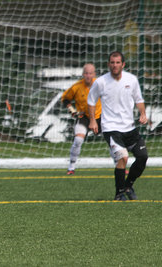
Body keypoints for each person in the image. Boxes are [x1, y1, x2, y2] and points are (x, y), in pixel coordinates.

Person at [88, 51, 148, 201]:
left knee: (142, 157)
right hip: (111, 128)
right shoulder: (101, 82)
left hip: (130, 127)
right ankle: (119, 194)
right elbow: (91, 101)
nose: (115, 65)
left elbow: (138, 99)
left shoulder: (131, 80)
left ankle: (128, 185)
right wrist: (93, 120)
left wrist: (142, 113)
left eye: (117, 62)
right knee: (123, 157)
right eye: (112, 63)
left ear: (123, 64)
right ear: (108, 64)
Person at [61, 63, 102, 175]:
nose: (88, 76)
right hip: (84, 117)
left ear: (94, 74)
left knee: (112, 140)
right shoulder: (76, 87)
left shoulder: (100, 84)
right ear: (83, 74)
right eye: (86, 73)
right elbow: (65, 99)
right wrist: (72, 110)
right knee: (78, 140)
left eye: (90, 73)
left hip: (99, 116)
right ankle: (71, 168)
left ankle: (120, 166)